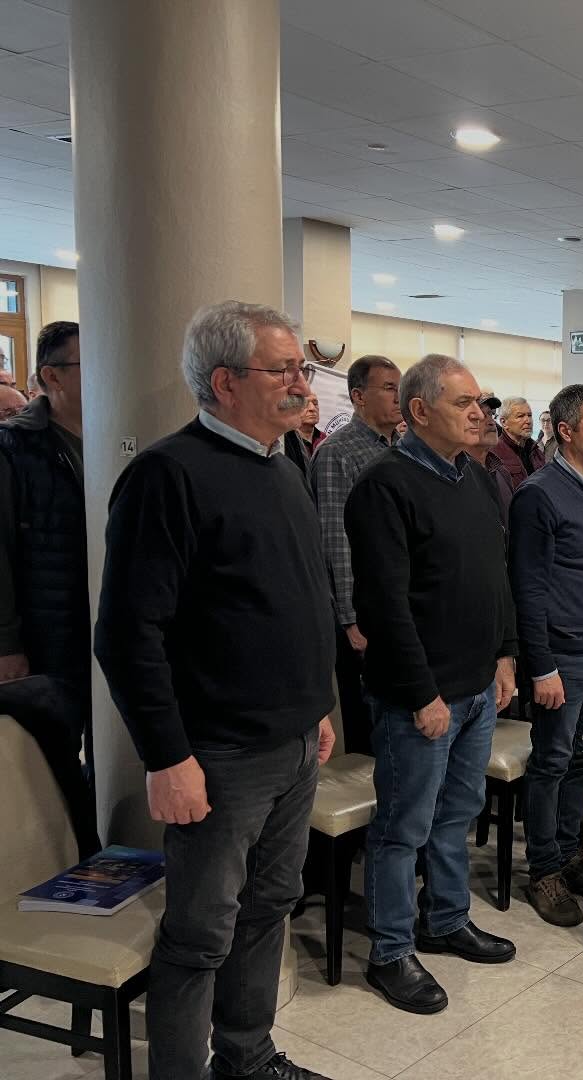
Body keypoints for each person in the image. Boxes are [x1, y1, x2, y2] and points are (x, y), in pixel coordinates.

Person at [94, 301, 337, 1080]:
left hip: (293, 743)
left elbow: (297, 601)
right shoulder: (168, 475)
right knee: (200, 934)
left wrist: (317, 706)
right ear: (226, 382)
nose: (303, 384)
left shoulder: (284, 465)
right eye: (285, 370)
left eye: (302, 368)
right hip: (220, 754)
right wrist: (167, 757)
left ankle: (248, 1057)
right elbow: (127, 635)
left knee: (269, 908)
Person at [347, 353, 519, 1014]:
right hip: (420, 695)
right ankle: (390, 951)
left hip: (476, 686)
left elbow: (494, 573)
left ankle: (446, 919)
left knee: (457, 813)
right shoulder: (384, 486)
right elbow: (385, 606)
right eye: (463, 403)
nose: (480, 414)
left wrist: (504, 655)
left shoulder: (472, 476)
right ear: (419, 411)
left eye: (480, 402)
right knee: (403, 827)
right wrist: (422, 693)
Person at [510, 383, 583, 925]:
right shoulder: (539, 495)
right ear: (565, 431)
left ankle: (569, 855)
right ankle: (543, 871)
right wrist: (542, 666)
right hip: (563, 658)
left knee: (582, 760)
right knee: (552, 762)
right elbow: (528, 589)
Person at [0, 321, 88, 747]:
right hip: (46, 632)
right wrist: (6, 643)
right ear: (52, 376)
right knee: (54, 747)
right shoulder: (14, 447)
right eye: (89, 364)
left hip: (101, 624)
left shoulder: (119, 437)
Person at [309, 354, 402, 756]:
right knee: (371, 733)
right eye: (389, 388)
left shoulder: (400, 448)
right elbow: (335, 539)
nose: (399, 397)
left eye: (401, 388)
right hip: (363, 615)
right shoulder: (338, 452)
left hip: (398, 606)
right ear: (359, 396)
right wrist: (351, 619)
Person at [467, 384, 513, 525]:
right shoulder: (454, 475)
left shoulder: (501, 471)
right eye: (481, 416)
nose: (492, 422)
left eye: (492, 415)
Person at [492, 395, 545, 488]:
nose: (528, 421)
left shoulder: (537, 452)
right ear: (504, 422)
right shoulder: (493, 454)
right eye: (520, 416)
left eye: (529, 415)